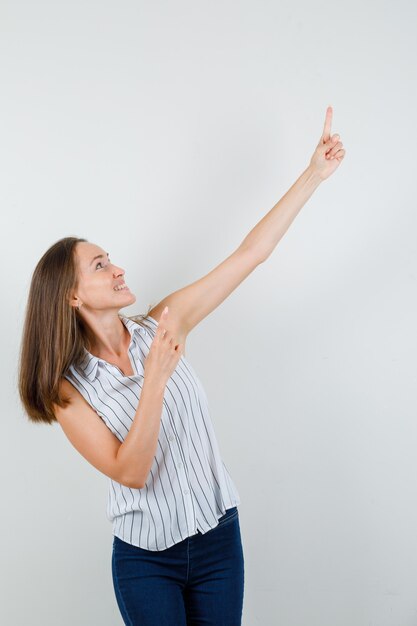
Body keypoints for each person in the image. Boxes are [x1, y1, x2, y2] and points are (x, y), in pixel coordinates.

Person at [18, 106, 345, 626]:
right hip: (147, 562)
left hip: (219, 541)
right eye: (100, 265)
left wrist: (313, 174)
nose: (117, 267)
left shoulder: (162, 325)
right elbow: (131, 470)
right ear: (72, 296)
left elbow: (249, 254)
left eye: (111, 258)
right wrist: (153, 380)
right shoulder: (67, 392)